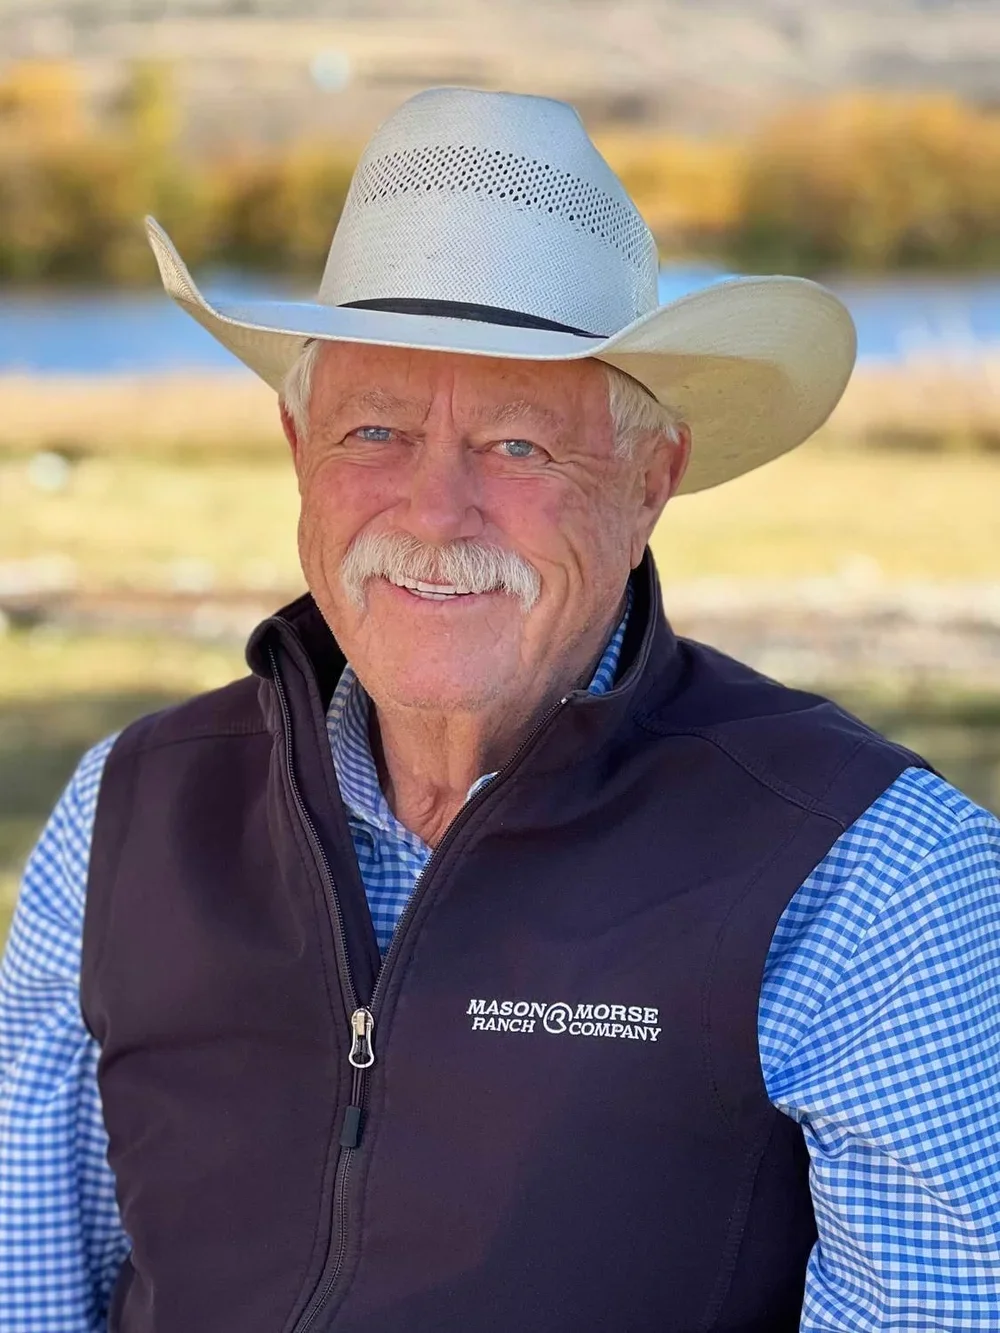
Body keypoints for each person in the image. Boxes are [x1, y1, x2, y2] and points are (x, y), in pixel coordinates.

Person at [1, 86, 998, 1333]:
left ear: (652, 477)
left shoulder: (872, 871)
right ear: (297, 445)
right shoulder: (126, 814)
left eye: (519, 446)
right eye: (376, 430)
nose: (433, 512)